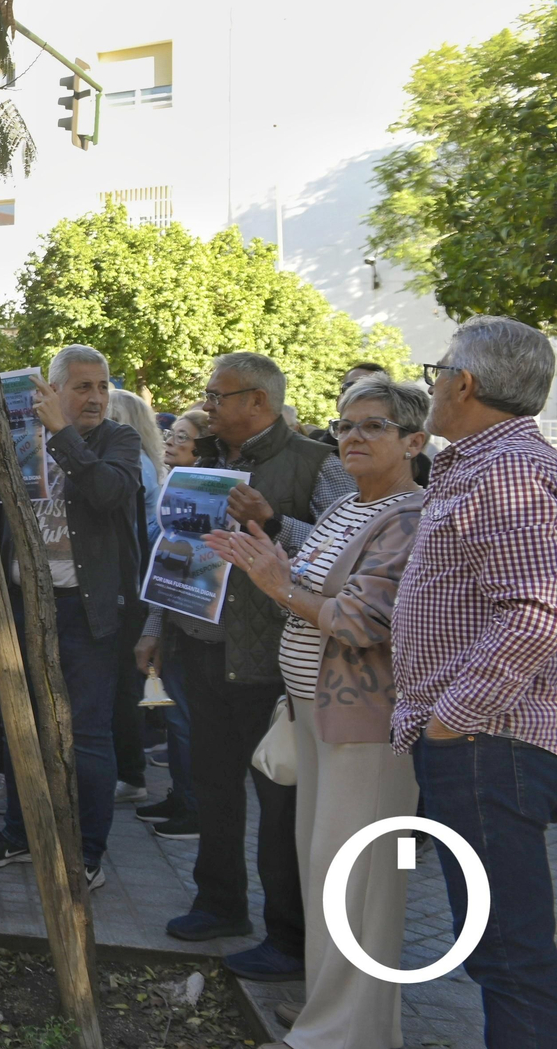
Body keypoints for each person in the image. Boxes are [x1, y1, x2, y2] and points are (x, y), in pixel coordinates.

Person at [203, 374, 428, 1049]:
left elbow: (361, 622)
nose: (352, 437)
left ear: (414, 441)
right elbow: (305, 601)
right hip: (314, 714)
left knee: (358, 885)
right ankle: (327, 1018)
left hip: (366, 727)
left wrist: (280, 583)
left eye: (373, 426)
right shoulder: (343, 510)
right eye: (345, 425)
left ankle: (350, 1033)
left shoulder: (411, 517)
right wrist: (272, 575)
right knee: (323, 874)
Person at [137, 352, 344, 980]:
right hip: (200, 648)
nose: (207, 404)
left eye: (218, 395)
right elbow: (174, 550)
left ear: (258, 401)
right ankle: (219, 903)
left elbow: (336, 552)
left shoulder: (316, 464)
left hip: (268, 663)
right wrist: (155, 626)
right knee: (213, 786)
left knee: (278, 803)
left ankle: (288, 934)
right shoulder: (206, 462)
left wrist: (272, 522)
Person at [393, 317, 557, 1048]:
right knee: (499, 951)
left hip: (490, 744)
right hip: (482, 741)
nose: (430, 382)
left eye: (437, 369)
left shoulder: (508, 469)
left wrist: (452, 718)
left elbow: (534, 611)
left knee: (509, 956)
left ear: (464, 383)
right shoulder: (484, 461)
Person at [0, 345, 141, 893]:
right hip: (24, 605)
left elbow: (110, 493)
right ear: (54, 390)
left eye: (101, 386)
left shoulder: (119, 440)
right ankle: (22, 833)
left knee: (86, 734)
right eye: (82, 386)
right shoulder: (24, 442)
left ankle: (87, 852)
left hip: (87, 613)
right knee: (19, 723)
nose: (94, 396)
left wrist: (63, 435)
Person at [136, 407, 209, 840]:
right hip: (172, 613)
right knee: (176, 716)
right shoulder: (171, 484)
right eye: (172, 434)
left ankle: (194, 807)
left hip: (195, 614)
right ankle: (182, 797)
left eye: (184, 437)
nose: (172, 442)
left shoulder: (203, 491)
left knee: (186, 722)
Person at [106, 387, 166, 807]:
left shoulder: (131, 463)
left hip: (133, 583)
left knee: (123, 685)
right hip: (136, 580)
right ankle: (129, 770)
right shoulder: (142, 461)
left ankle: (130, 773)